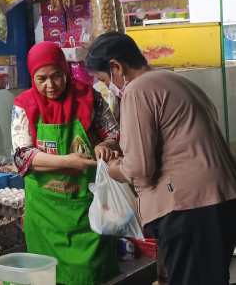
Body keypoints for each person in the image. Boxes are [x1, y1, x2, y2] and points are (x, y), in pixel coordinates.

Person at [85, 31, 236, 285]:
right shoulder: (177, 81)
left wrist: (111, 168)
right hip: (222, 198)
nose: (107, 86)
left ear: (116, 67)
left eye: (104, 79)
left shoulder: (136, 90)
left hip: (189, 206)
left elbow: (139, 168)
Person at [12, 42, 120, 285]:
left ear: (65, 70)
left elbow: (114, 134)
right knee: (47, 276)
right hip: (45, 213)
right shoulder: (24, 105)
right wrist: (67, 161)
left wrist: (106, 146)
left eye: (57, 76)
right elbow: (22, 156)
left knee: (92, 276)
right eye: (41, 79)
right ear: (32, 76)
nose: (50, 85)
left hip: (88, 208)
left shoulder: (89, 96)